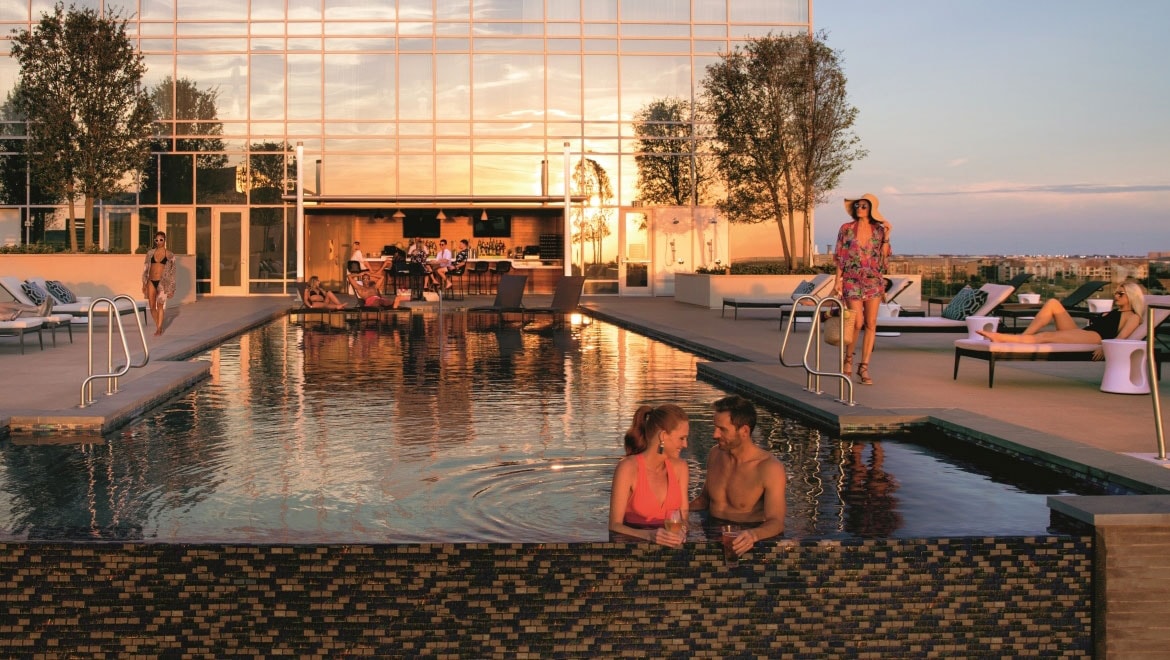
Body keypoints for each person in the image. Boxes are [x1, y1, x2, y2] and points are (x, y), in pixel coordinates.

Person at [689, 395, 786, 557]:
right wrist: (670, 511)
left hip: (745, 541)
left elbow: (776, 522)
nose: (715, 434)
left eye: (722, 429)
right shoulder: (715, 454)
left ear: (745, 431)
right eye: (715, 427)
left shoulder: (769, 468)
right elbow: (703, 501)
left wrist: (753, 535)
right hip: (711, 533)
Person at [978, 280, 1145, 357]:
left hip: (1095, 337)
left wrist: (1104, 348)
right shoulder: (1117, 310)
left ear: (1131, 296)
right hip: (1084, 333)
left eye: (1120, 293)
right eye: (1116, 292)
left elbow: (1121, 338)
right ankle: (1023, 338)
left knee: (1047, 336)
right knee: (1052, 303)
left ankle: (1004, 338)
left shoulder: (1133, 316)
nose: (1116, 295)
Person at [609, 404, 690, 548]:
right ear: (663, 436)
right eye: (681, 438)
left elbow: (683, 515)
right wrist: (650, 535)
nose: (685, 444)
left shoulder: (681, 468)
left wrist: (682, 531)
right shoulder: (627, 468)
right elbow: (614, 525)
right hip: (635, 549)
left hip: (672, 549)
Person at [833, 193, 893, 385]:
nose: (859, 208)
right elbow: (840, 256)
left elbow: (884, 260)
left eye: (864, 206)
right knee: (857, 322)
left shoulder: (879, 230)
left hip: (873, 280)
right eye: (858, 205)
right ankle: (848, 359)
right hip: (851, 279)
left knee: (871, 323)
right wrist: (837, 280)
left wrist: (887, 236)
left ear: (871, 210)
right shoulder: (846, 229)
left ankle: (864, 366)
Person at [141, 231, 177, 336]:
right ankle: (159, 325)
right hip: (151, 281)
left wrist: (172, 288)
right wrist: (144, 283)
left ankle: (159, 328)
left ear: (165, 240)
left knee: (160, 305)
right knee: (152, 306)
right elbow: (145, 268)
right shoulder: (150, 253)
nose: (159, 242)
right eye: (156, 240)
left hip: (163, 283)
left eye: (161, 239)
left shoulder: (170, 255)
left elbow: (173, 272)